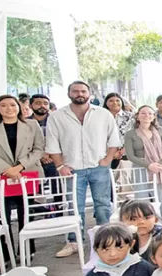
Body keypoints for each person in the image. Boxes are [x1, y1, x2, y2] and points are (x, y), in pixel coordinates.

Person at [46, 81, 122, 258]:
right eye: (75, 91)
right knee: (74, 207)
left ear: (89, 94)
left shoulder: (103, 114)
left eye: (83, 91)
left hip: (98, 166)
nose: (79, 94)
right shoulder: (57, 116)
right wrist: (60, 166)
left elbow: (114, 139)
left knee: (103, 205)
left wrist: (108, 159)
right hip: (71, 169)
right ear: (69, 93)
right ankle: (74, 241)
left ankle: (106, 239)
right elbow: (52, 143)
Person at [0, 95, 45, 264]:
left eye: (12, 105)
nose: (9, 108)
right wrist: (7, 170)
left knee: (26, 213)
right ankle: (4, 253)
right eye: (3, 105)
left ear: (19, 107)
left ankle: (27, 249)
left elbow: (38, 149)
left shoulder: (31, 125)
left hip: (26, 174)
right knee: (1, 215)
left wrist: (19, 167)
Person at [123, 106, 162, 223]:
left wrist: (160, 164)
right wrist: (148, 165)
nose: (146, 115)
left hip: (160, 168)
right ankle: (144, 223)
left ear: (153, 116)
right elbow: (130, 156)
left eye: (150, 113)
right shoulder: (130, 134)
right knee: (142, 199)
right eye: (143, 113)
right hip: (141, 168)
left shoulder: (160, 130)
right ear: (137, 116)